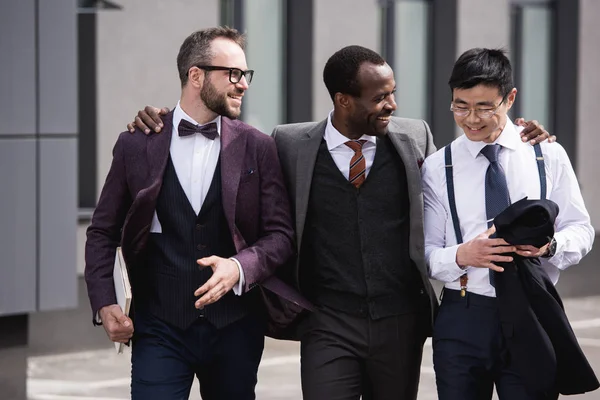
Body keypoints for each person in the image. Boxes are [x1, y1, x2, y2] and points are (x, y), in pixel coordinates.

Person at [129, 45, 551, 400]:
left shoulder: (414, 137)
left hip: (399, 321)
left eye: (393, 93)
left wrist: (522, 133)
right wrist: (161, 120)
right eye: (381, 96)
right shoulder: (289, 144)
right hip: (327, 320)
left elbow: (463, 165)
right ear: (344, 99)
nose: (392, 104)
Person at [84, 27, 295, 400]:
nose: (243, 84)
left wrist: (240, 267)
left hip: (236, 329)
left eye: (245, 75)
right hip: (159, 327)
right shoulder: (136, 143)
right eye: (232, 74)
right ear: (195, 75)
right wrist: (105, 302)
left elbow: (280, 235)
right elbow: (103, 232)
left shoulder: (258, 147)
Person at [421, 48, 594, 400]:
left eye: (485, 107)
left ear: (510, 98)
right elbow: (425, 254)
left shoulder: (546, 154)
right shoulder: (439, 167)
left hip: (531, 309)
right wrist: (463, 255)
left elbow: (581, 228)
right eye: (460, 106)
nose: (472, 118)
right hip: (464, 314)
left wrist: (551, 247)